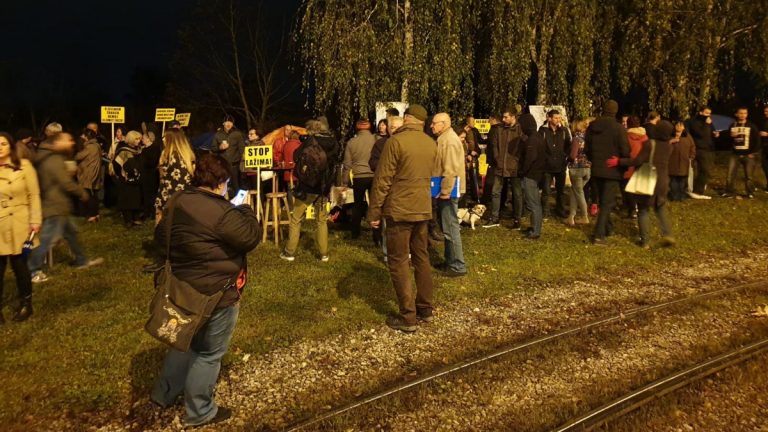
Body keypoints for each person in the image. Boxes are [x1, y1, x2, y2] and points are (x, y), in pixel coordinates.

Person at [150, 153, 260, 428]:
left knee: (183, 340)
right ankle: (199, 410)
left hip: (181, 287)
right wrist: (244, 209)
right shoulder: (222, 212)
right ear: (221, 182)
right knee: (208, 353)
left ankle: (163, 393)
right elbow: (250, 237)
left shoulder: (178, 201)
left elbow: (161, 238)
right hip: (216, 293)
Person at [368, 104, 436, 332]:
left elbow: (382, 179)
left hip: (399, 209)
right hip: (423, 207)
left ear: (407, 118)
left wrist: (374, 211)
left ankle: (408, 316)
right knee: (421, 257)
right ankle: (425, 308)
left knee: (398, 261)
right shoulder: (430, 142)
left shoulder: (395, 142)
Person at [27, 132, 103, 283]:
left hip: (59, 204)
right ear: (57, 142)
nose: (71, 143)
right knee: (47, 240)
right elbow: (65, 182)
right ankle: (33, 269)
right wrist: (81, 192)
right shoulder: (53, 159)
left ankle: (81, 260)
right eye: (67, 140)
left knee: (71, 233)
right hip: (55, 206)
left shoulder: (47, 156)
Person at [280, 119, 341, 262]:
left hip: (308, 185)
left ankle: (289, 252)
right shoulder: (334, 143)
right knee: (321, 220)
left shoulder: (311, 141)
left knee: (296, 218)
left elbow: (296, 156)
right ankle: (324, 253)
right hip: (324, 186)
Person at [610, 120, 675, 249]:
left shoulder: (650, 144)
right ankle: (668, 234)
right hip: (662, 181)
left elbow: (638, 160)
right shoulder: (669, 146)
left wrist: (619, 161)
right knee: (660, 208)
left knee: (643, 210)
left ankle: (645, 242)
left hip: (648, 179)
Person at [0, 132, 41, 323]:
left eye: (3, 143)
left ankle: (26, 304)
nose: (0, 147)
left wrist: (35, 221)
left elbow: (34, 195)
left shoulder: (24, 167)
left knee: (20, 266)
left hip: (19, 223)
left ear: (11, 146)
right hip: (0, 223)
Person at [584, 99, 630, 245]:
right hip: (612, 169)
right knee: (607, 203)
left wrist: (596, 161)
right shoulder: (618, 128)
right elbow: (625, 150)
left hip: (596, 169)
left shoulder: (592, 127)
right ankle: (598, 235)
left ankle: (608, 228)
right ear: (615, 111)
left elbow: (587, 150)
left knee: (604, 200)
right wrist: (623, 162)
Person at [430, 113, 467, 276]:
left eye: (434, 123)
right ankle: (450, 261)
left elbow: (450, 168)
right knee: (447, 227)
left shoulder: (449, 141)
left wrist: (445, 190)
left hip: (449, 191)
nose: (431, 126)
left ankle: (457, 266)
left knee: (451, 228)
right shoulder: (445, 139)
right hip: (446, 189)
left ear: (444, 124)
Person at [484, 107, 524, 229]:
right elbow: (494, 145)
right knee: (496, 191)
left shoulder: (520, 129)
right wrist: (497, 158)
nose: (503, 119)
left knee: (517, 193)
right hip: (500, 165)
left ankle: (517, 219)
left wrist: (517, 161)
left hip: (514, 167)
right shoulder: (499, 129)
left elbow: (522, 147)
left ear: (513, 117)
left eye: (506, 117)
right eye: (503, 116)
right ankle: (495, 217)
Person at [369, 116, 403, 254]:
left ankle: (406, 253)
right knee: (387, 223)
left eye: (398, 127)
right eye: (393, 127)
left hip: (405, 191)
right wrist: (386, 167)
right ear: (388, 129)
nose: (396, 130)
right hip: (388, 189)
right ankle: (388, 253)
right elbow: (373, 163)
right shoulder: (381, 144)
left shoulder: (409, 143)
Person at [342, 119, 376, 239]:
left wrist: (345, 182)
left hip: (359, 177)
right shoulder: (375, 140)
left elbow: (347, 164)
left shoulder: (352, 142)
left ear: (357, 127)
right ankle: (377, 235)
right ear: (370, 126)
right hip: (373, 176)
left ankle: (355, 233)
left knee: (357, 205)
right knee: (375, 205)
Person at [155, 129, 196, 224]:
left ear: (172, 140)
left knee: (165, 226)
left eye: (165, 137)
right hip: (184, 197)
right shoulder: (187, 156)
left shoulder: (169, 156)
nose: (163, 139)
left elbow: (163, 176)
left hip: (168, 196)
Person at [518, 114, 547, 240]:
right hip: (536, 174)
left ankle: (535, 231)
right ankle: (534, 227)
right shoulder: (537, 137)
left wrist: (522, 171)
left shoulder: (532, 140)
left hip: (531, 175)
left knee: (534, 204)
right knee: (534, 203)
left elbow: (530, 159)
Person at [539, 109, 571, 219]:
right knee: (546, 191)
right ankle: (545, 212)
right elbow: (539, 147)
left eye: (559, 118)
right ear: (549, 118)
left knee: (560, 191)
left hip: (560, 165)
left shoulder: (563, 131)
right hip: (547, 166)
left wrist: (564, 157)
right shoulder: (543, 131)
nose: (558, 120)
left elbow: (568, 145)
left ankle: (560, 210)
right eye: (556, 118)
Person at [723, 107, 761, 198]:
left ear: (747, 114)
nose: (743, 115)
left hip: (748, 155)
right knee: (730, 174)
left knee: (749, 176)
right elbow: (726, 141)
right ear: (736, 114)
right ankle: (729, 192)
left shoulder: (751, 126)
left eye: (745, 113)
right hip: (735, 154)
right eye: (741, 113)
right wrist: (730, 136)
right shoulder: (733, 125)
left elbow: (757, 140)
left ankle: (750, 193)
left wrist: (753, 152)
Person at [113, 131, 144, 227]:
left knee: (135, 198)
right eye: (136, 139)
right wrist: (122, 174)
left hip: (136, 179)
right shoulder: (123, 151)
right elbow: (117, 164)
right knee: (126, 199)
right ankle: (128, 220)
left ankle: (136, 217)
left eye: (139, 138)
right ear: (131, 139)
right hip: (126, 179)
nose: (138, 141)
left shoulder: (138, 150)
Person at [565, 119, 592, 226]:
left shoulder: (576, 139)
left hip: (577, 169)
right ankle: (571, 216)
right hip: (587, 168)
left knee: (579, 193)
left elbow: (572, 155)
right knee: (574, 191)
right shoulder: (589, 138)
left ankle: (585, 216)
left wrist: (567, 159)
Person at [688, 106, 719, 196]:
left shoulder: (709, 122)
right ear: (700, 112)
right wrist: (706, 125)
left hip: (707, 150)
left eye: (709, 113)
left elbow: (710, 133)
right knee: (695, 170)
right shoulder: (693, 122)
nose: (708, 115)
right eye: (706, 113)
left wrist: (715, 134)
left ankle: (698, 190)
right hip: (697, 148)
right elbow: (700, 134)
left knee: (705, 170)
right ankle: (692, 190)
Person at [212, 115, 245, 198]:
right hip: (222, 166)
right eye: (227, 122)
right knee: (222, 187)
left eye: (230, 122)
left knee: (236, 186)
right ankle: (225, 204)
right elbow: (213, 148)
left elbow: (242, 149)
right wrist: (220, 147)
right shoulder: (218, 135)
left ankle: (239, 206)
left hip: (235, 165)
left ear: (233, 124)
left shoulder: (237, 134)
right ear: (223, 123)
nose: (228, 124)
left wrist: (243, 162)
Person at [75, 129, 103, 222]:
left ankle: (92, 215)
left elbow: (78, 156)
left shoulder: (89, 147)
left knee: (90, 195)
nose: (82, 137)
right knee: (94, 194)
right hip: (94, 172)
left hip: (89, 173)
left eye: (83, 135)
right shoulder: (96, 145)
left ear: (87, 136)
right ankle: (95, 213)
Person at [623, 116, 648, 218]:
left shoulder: (626, 136)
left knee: (628, 188)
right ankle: (639, 207)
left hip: (629, 164)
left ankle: (632, 209)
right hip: (641, 164)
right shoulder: (645, 136)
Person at [668, 121, 696, 201]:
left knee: (683, 180)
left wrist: (691, 156)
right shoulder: (670, 136)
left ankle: (682, 196)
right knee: (673, 180)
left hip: (684, 162)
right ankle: (674, 196)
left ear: (684, 127)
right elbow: (665, 146)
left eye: (681, 125)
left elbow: (692, 147)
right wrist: (671, 141)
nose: (679, 127)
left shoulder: (688, 136)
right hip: (673, 162)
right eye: (677, 125)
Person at [139, 131, 163, 220]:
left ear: (149, 138)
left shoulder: (155, 148)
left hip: (152, 174)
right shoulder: (144, 149)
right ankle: (146, 212)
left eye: (144, 138)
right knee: (145, 193)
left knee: (152, 194)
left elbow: (153, 162)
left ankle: (153, 212)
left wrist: (143, 160)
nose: (142, 140)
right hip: (145, 174)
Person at [759, 106, 768, 190]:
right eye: (765, 111)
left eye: (767, 111)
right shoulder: (764, 121)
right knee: (764, 165)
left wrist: (766, 134)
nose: (766, 113)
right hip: (765, 146)